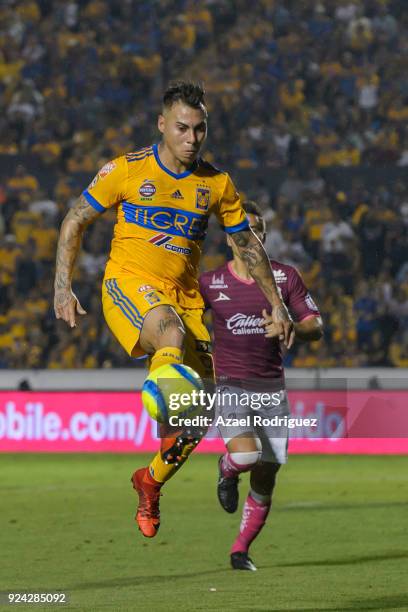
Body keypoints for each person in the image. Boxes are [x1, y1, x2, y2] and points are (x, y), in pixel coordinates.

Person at [53, 81, 293, 539]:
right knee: (167, 330)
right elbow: (74, 219)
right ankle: (156, 394)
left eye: (200, 129)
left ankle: (150, 481)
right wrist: (63, 287)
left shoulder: (216, 183)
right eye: (182, 128)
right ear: (162, 125)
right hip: (130, 286)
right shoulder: (125, 171)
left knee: (197, 418)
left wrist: (277, 304)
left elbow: (248, 244)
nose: (191, 138)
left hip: (185, 301)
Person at [199, 201, 323, 570]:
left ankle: (240, 550)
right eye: (242, 230)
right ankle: (226, 469)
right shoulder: (210, 282)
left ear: (264, 236)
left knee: (266, 476)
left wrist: (291, 326)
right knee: (245, 457)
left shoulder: (285, 279)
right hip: (231, 385)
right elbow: (185, 319)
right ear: (228, 239)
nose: (249, 237)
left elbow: (315, 326)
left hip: (271, 388)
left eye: (256, 230)